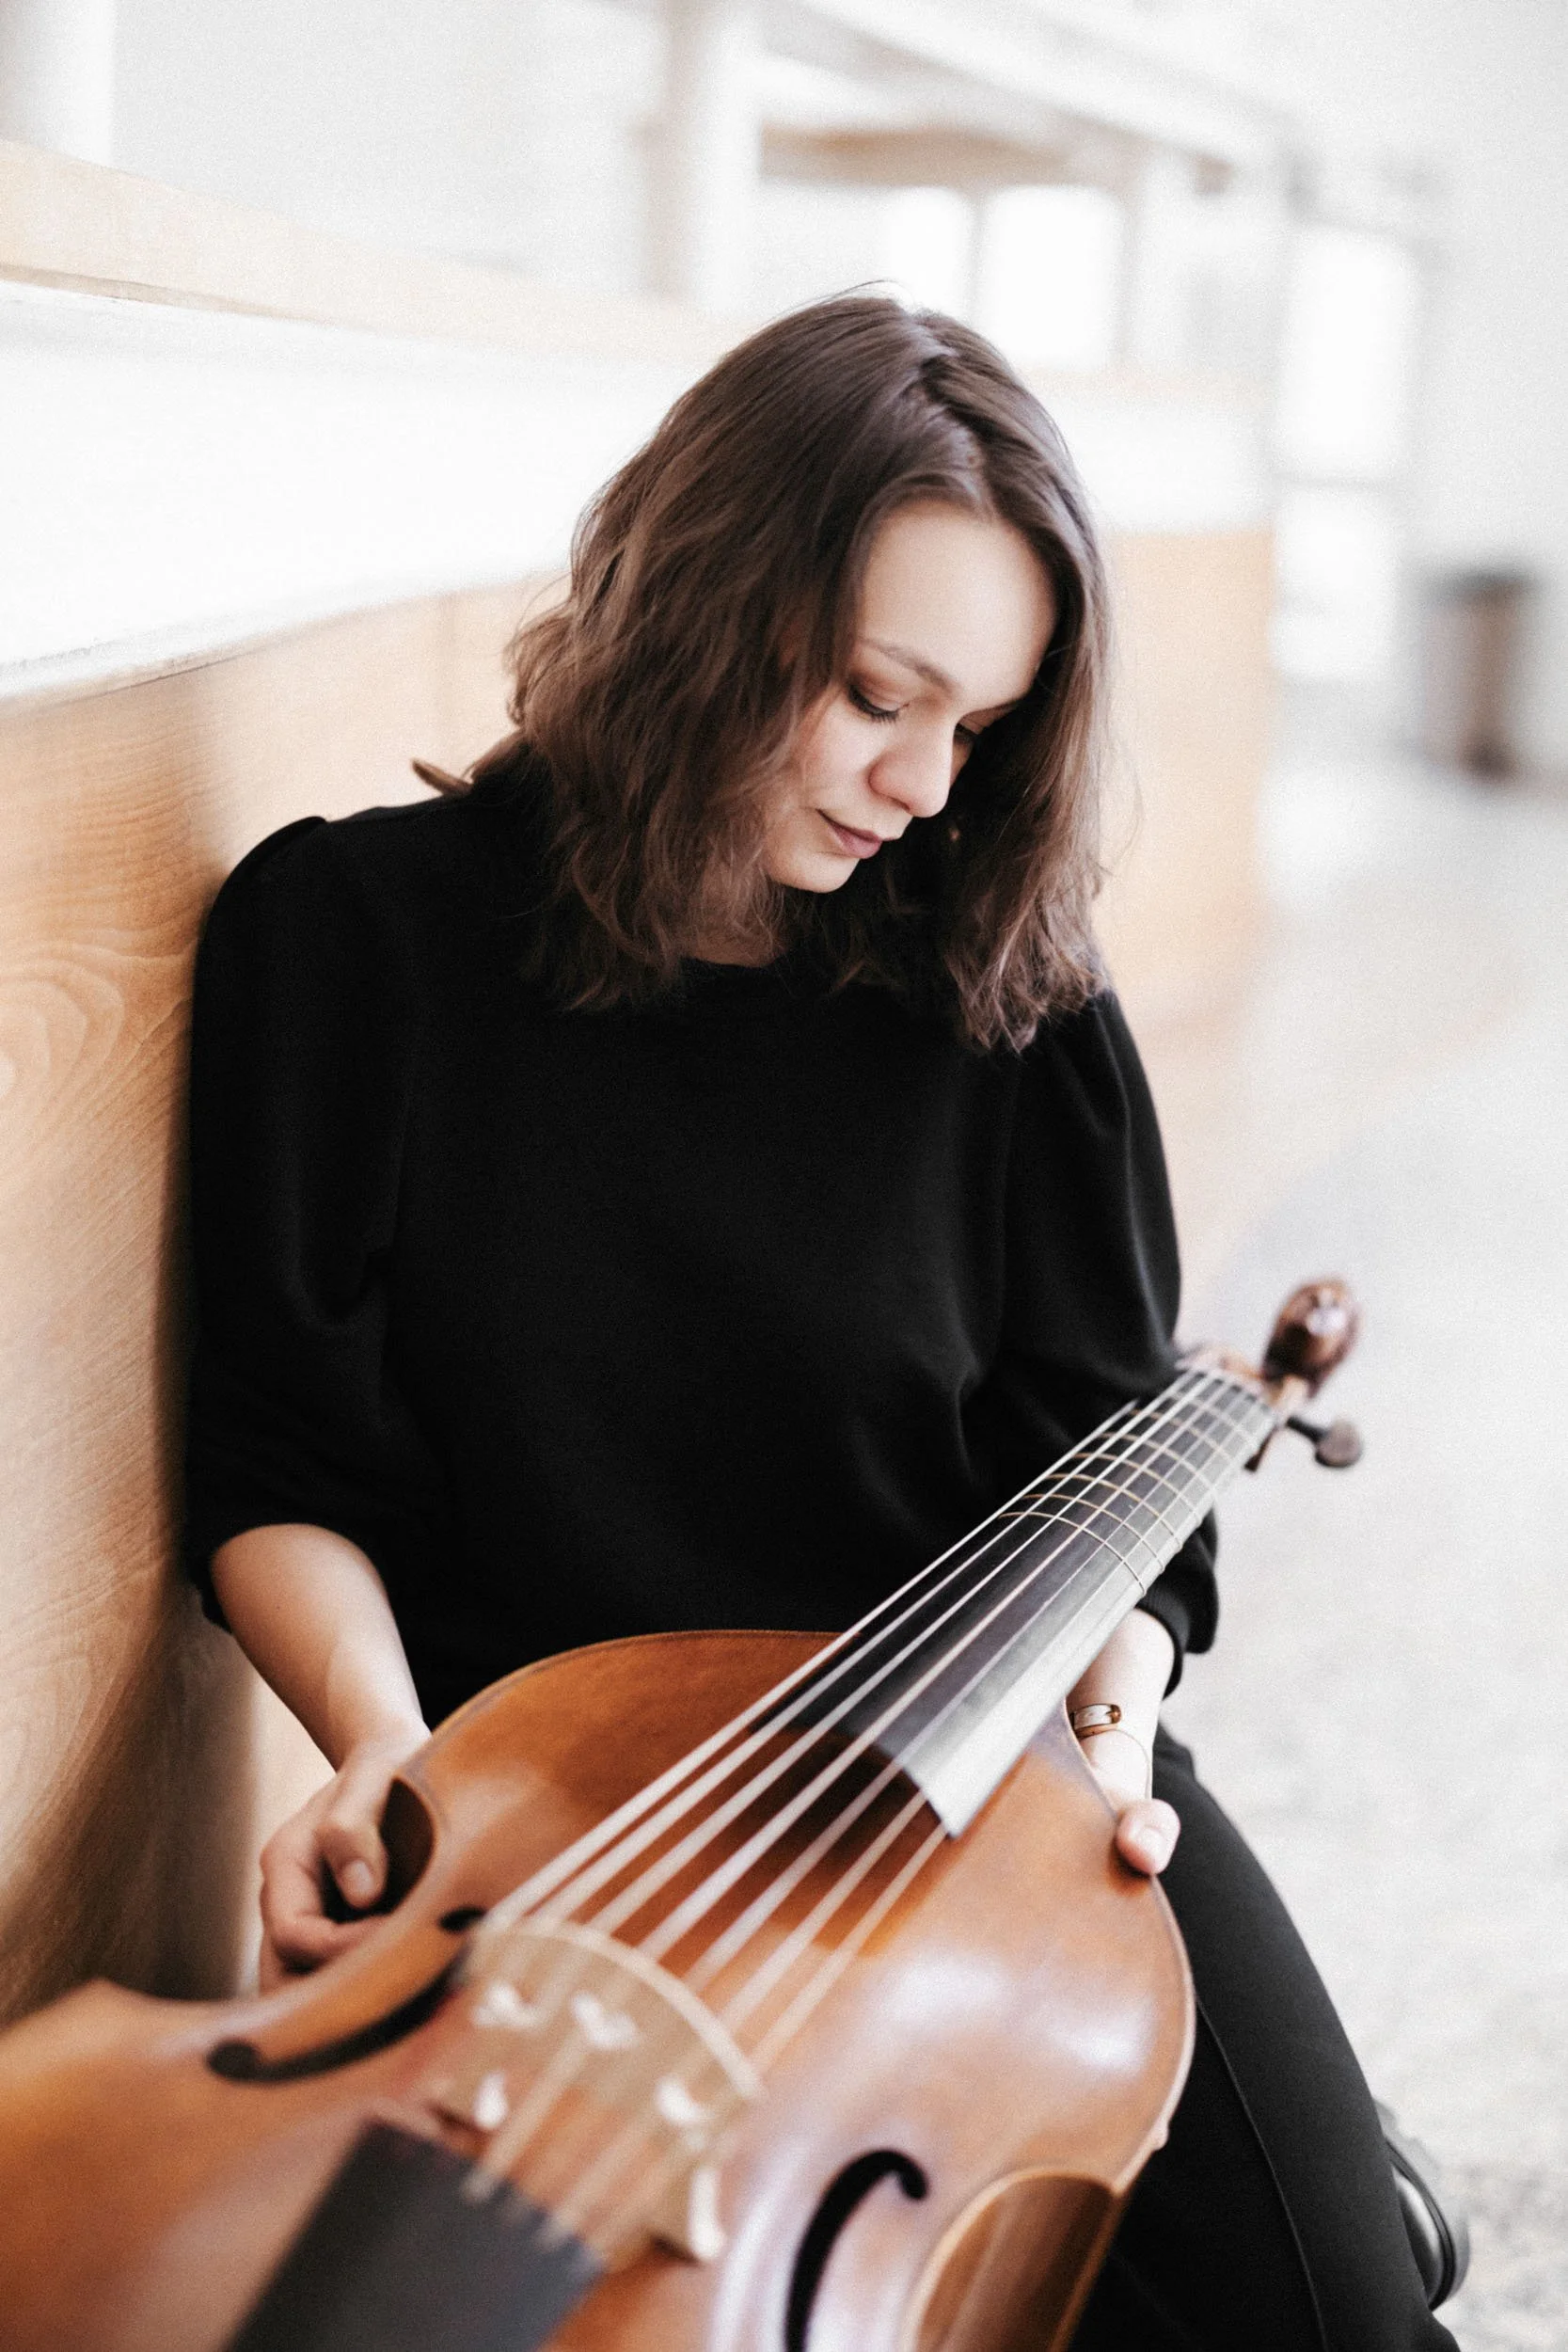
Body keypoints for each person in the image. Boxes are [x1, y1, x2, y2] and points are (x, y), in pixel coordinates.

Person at [183, 294, 1459, 2350]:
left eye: (978, 728)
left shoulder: (1004, 997)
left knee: (1333, 2315)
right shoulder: (348, 938)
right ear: (698, 599)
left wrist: (1104, 1715)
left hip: (998, 1774)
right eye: (878, 693)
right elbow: (274, 1454)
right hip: (564, 1836)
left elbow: (1112, 1474)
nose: (921, 786)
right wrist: (381, 1756)